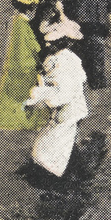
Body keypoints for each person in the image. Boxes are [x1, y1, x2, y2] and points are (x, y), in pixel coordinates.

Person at [23, 20, 89, 183]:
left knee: (53, 144)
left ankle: (58, 176)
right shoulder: (66, 58)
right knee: (65, 142)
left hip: (68, 110)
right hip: (71, 108)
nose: (47, 45)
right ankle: (76, 172)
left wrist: (38, 94)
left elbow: (62, 93)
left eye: (51, 43)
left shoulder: (61, 63)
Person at [0, 0, 44, 130]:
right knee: (24, 94)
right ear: (31, 8)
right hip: (24, 66)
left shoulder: (14, 20)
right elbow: (31, 46)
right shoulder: (24, 25)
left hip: (13, 63)